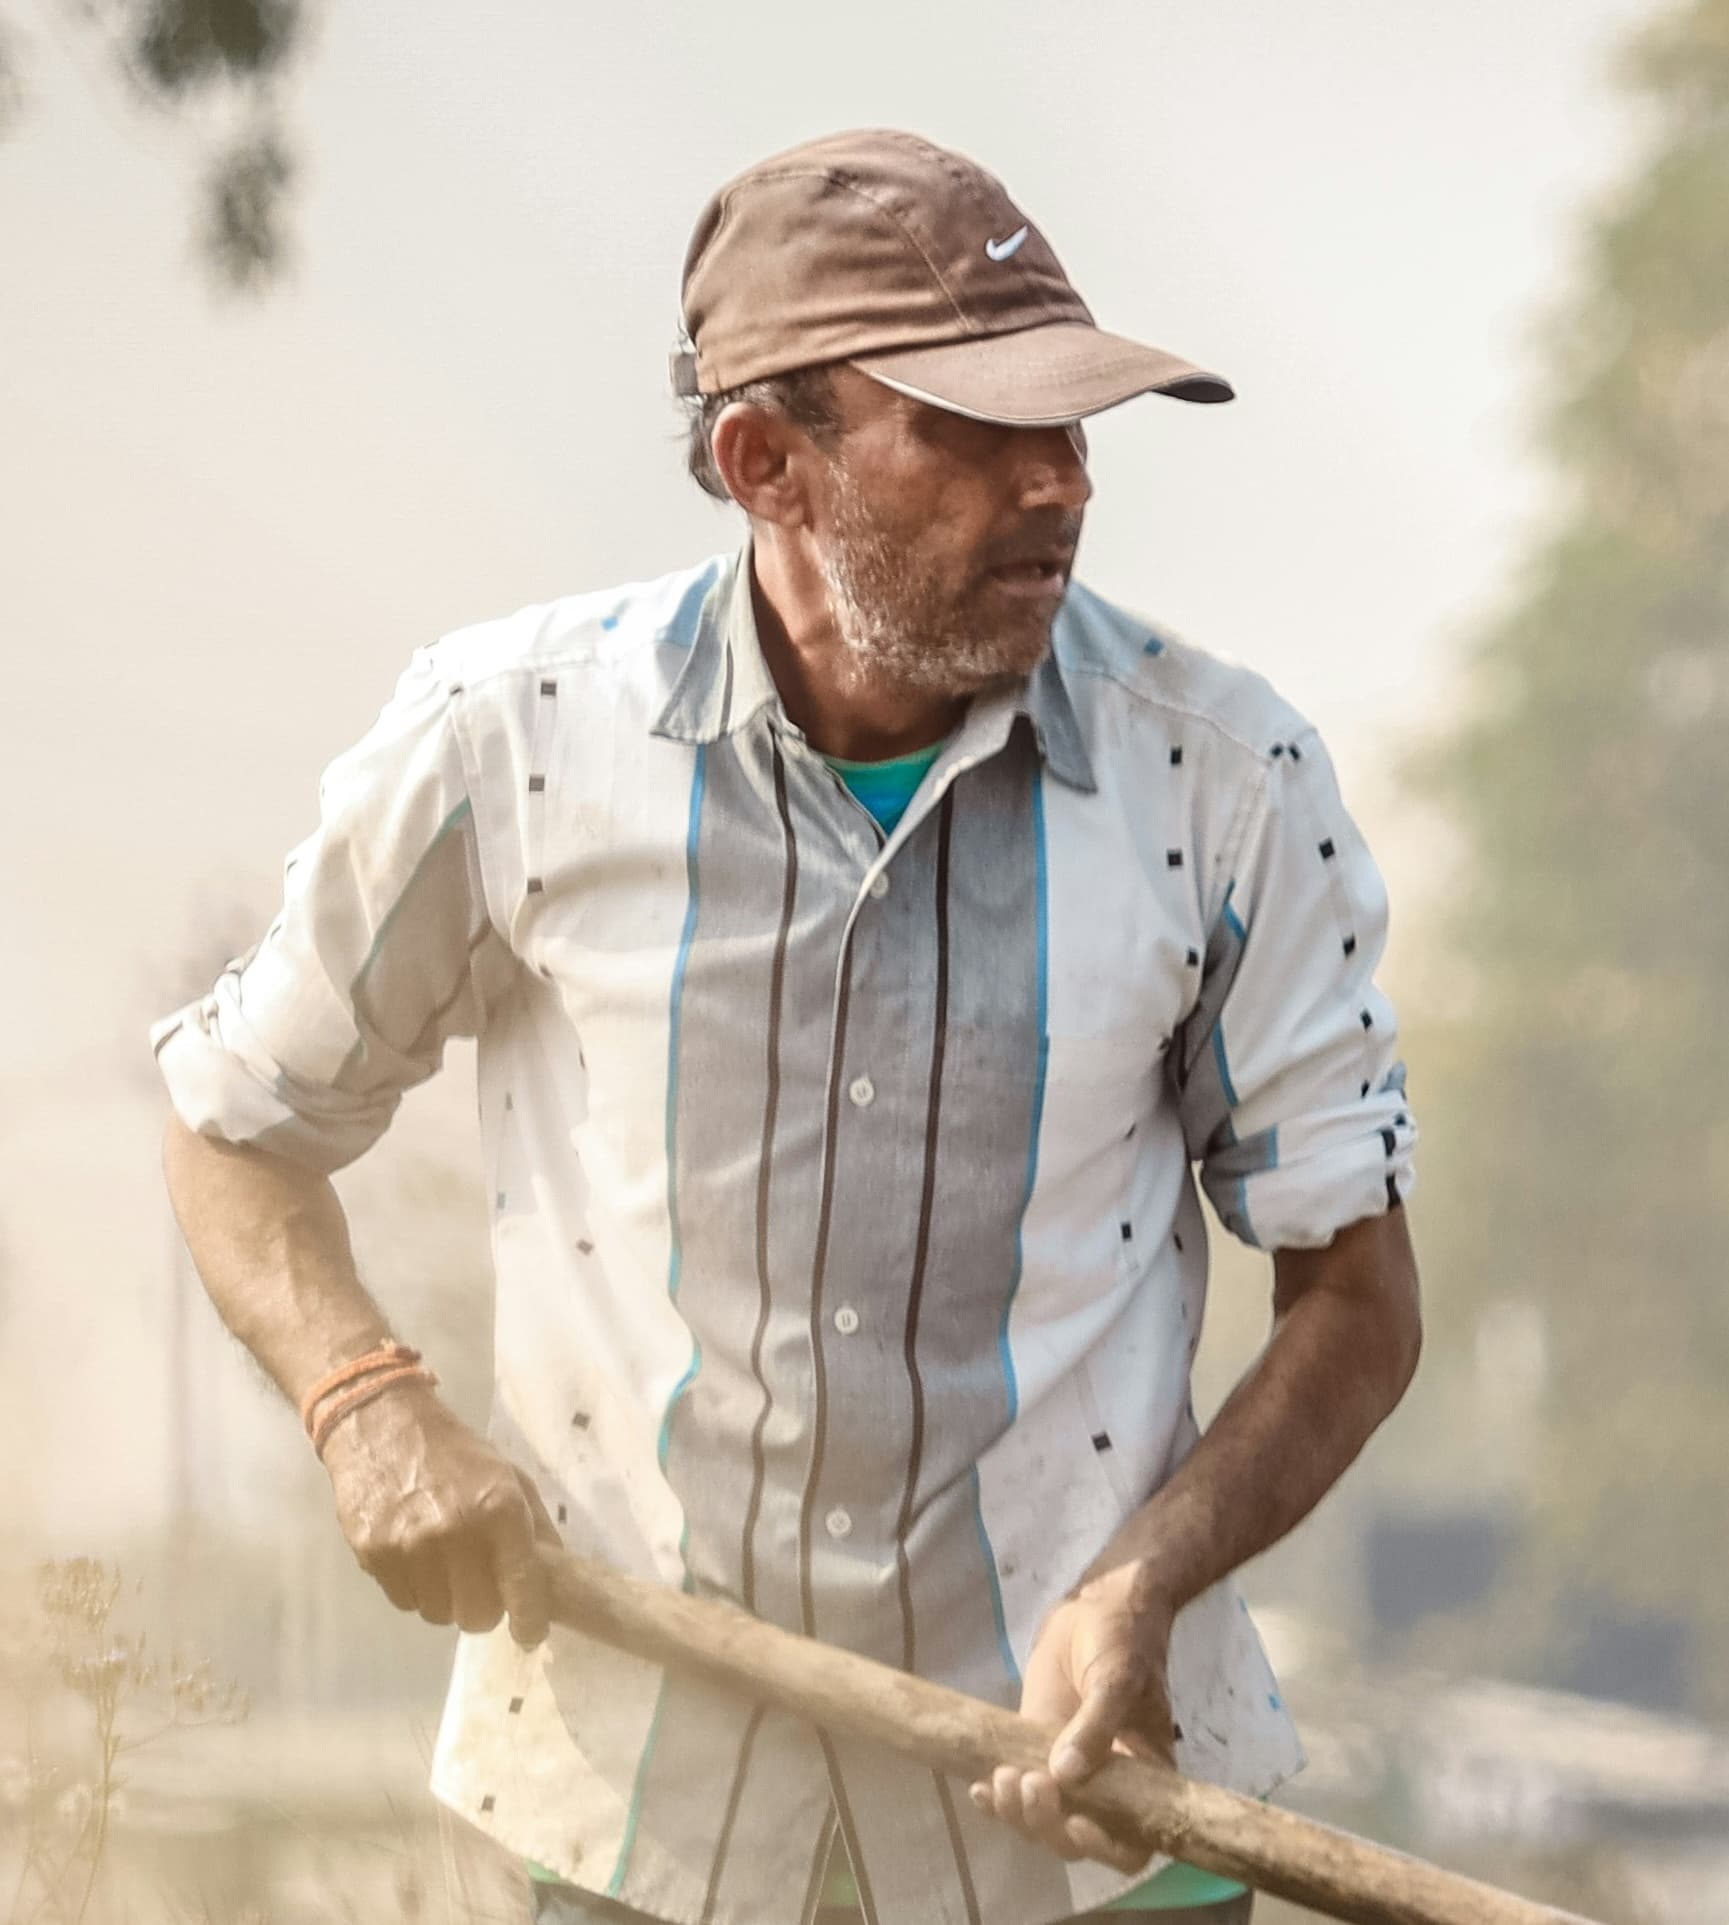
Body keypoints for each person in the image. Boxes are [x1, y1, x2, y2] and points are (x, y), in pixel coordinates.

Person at [153, 129, 1421, 1925]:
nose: (1060, 486)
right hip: (626, 1822)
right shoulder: (505, 739)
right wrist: (366, 1403)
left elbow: (1357, 1299)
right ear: (766, 463)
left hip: (1084, 1826)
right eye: (978, 434)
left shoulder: (1220, 782)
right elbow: (232, 1120)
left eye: (1073, 430)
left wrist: (1143, 1582)